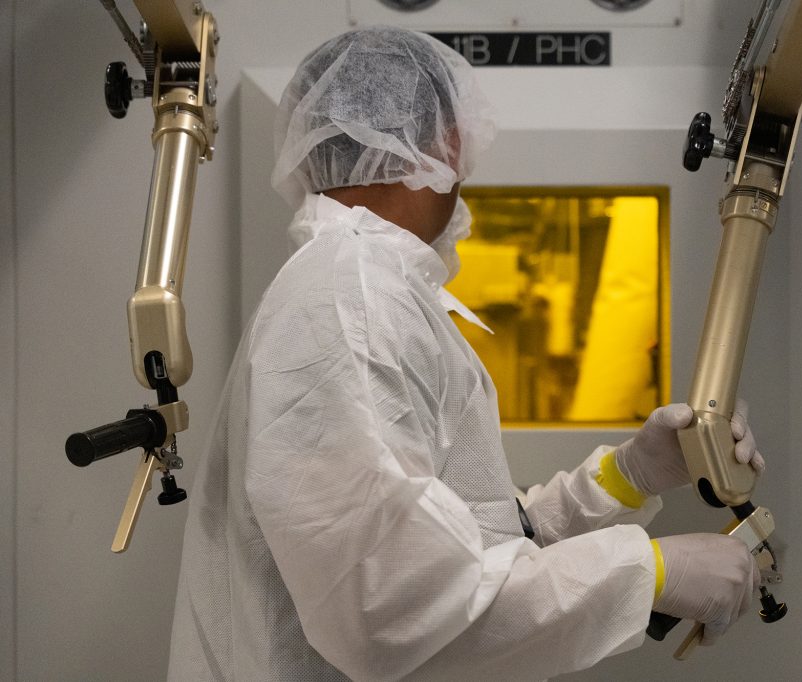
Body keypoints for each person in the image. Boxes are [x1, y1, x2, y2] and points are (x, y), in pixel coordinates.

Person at [168, 26, 767, 681]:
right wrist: (647, 571)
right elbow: (389, 613)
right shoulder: (352, 301)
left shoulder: (366, 292)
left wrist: (628, 476)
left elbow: (472, 545)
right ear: (443, 140)